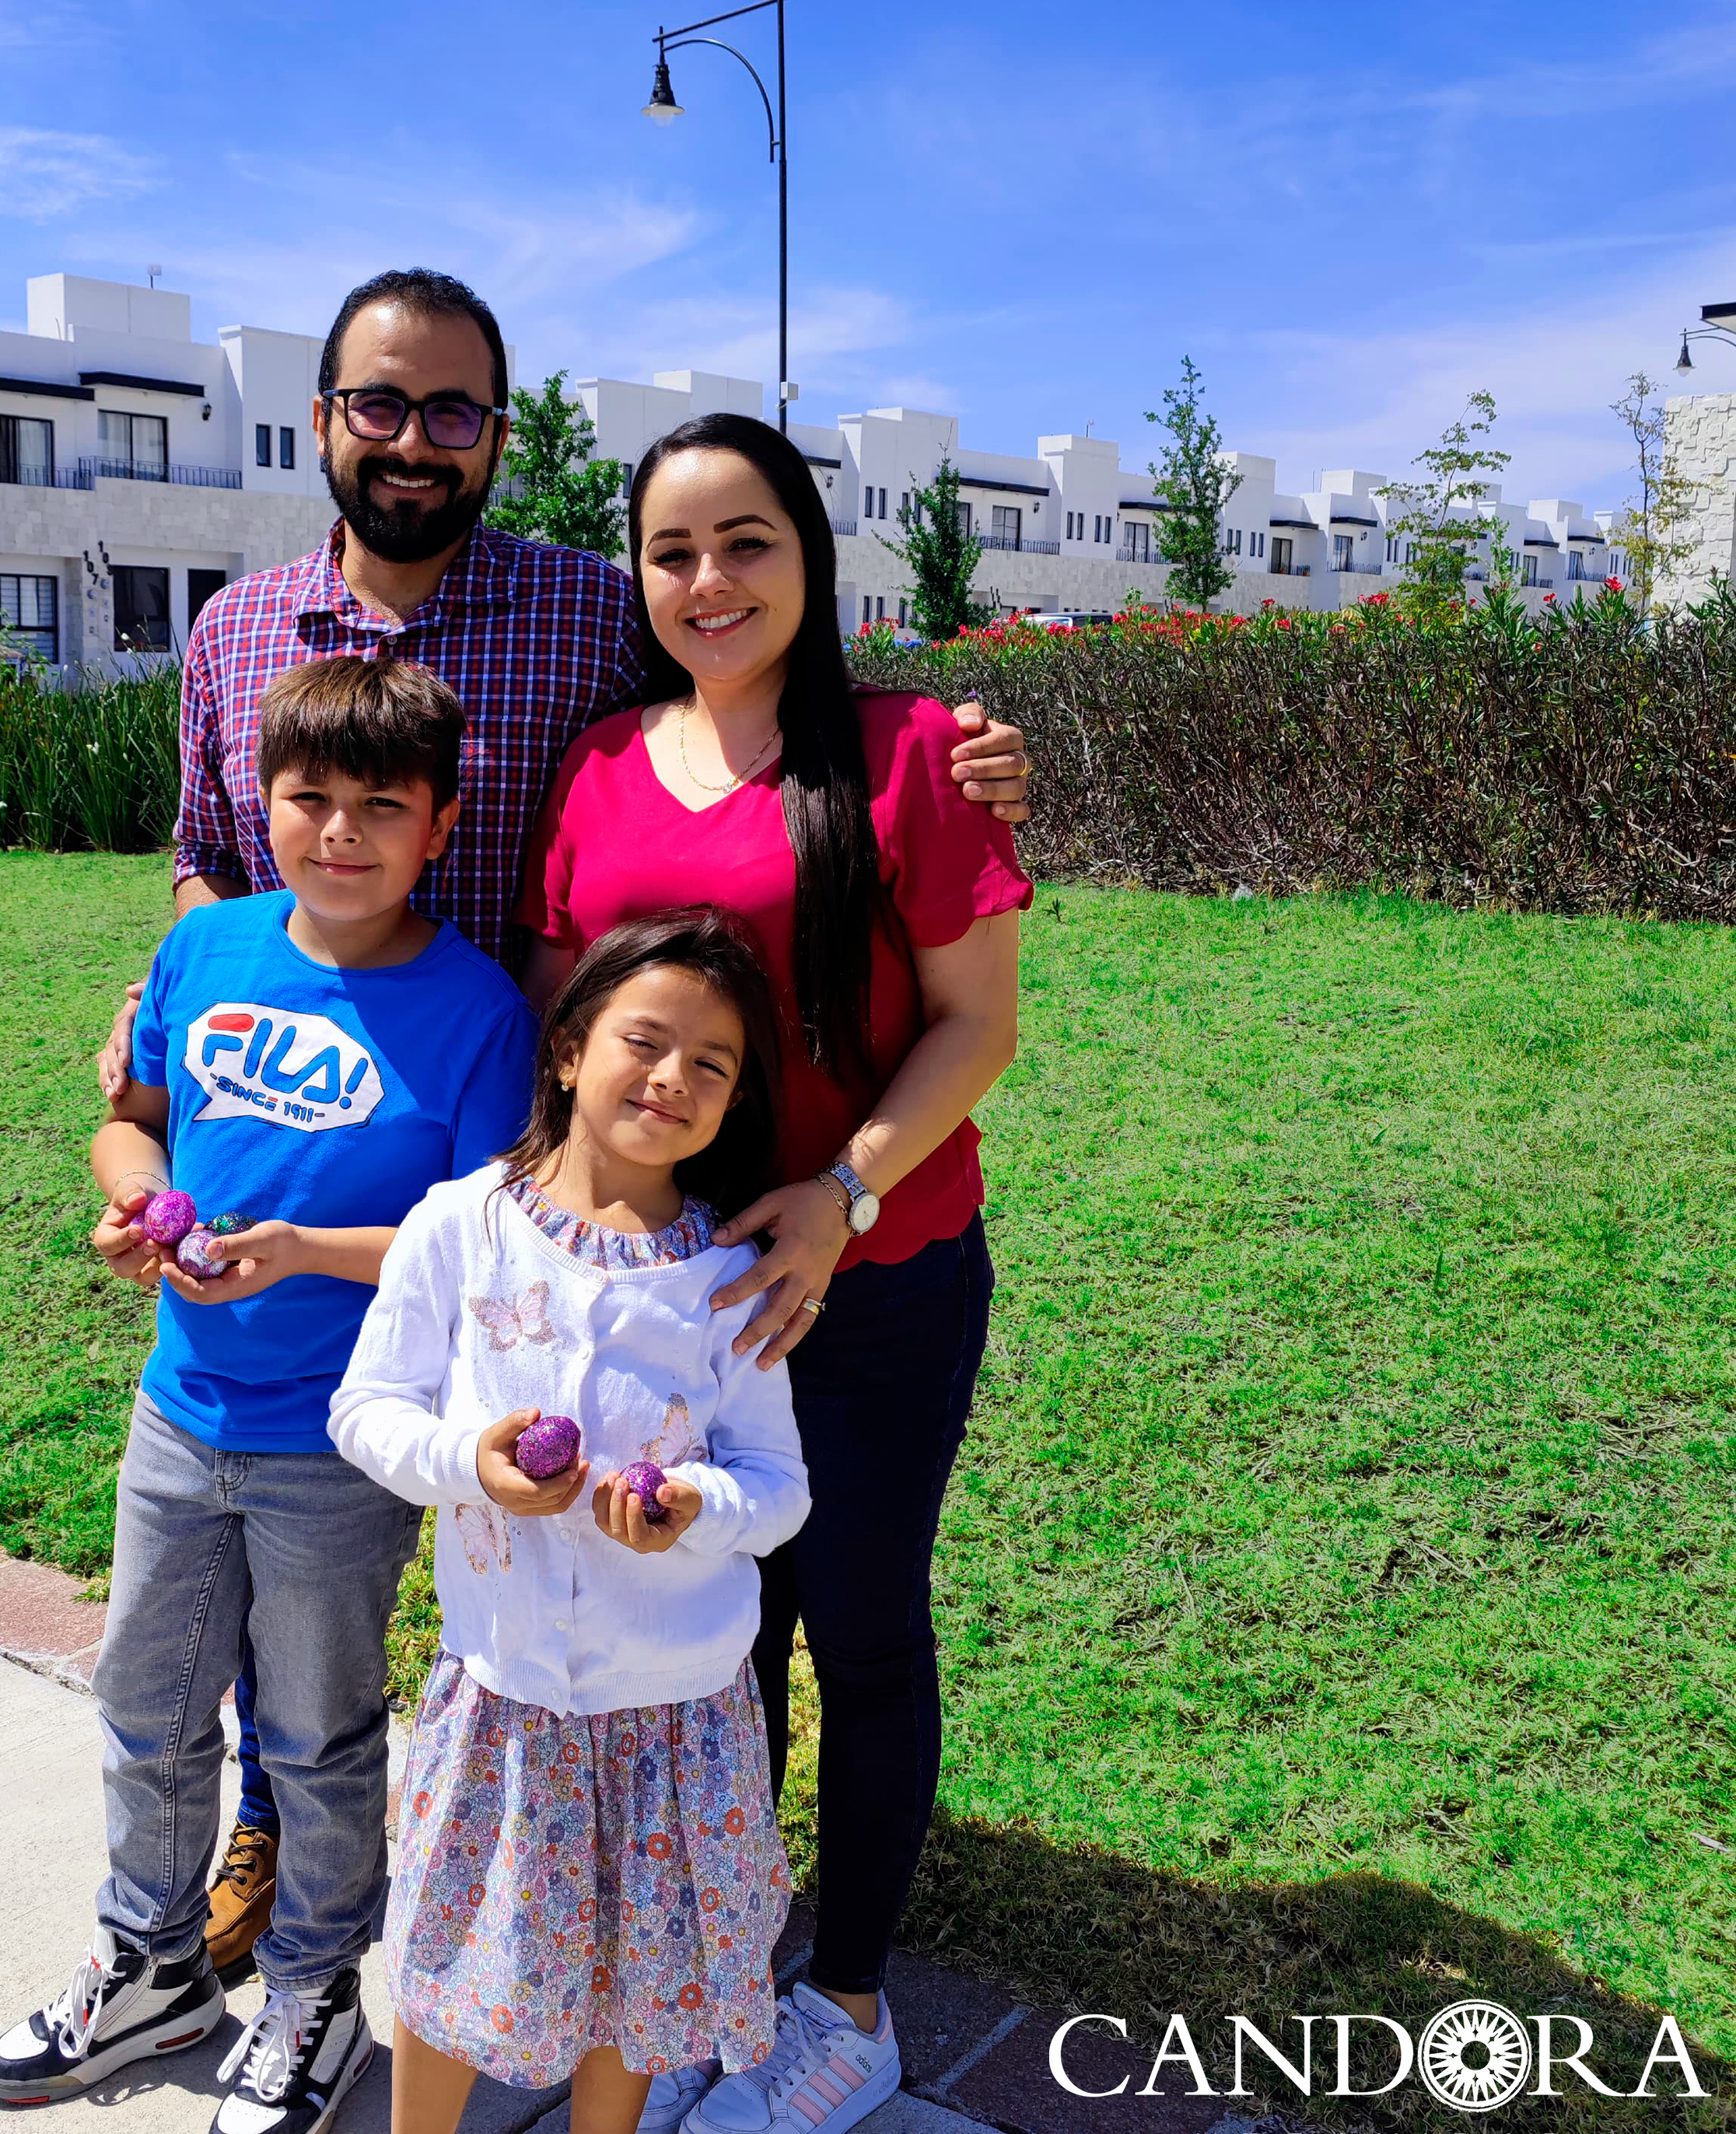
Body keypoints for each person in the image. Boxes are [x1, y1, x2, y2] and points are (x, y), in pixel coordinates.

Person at [94, 265, 1036, 1971]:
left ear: (497, 439)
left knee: (749, 1588)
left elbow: (774, 686)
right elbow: (205, 855)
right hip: (427, 1170)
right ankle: (292, 1837)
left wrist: (973, 754)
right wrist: (163, 994)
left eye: (453, 410)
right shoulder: (236, 634)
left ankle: (784, 1965)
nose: (412, 439)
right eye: (379, 403)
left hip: (657, 1196)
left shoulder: (592, 623)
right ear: (321, 421)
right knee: (305, 1518)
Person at [521, 411, 1030, 2134]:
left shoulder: (906, 757)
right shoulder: (595, 771)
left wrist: (841, 1192)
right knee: (717, 1646)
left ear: (809, 556)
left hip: (874, 1279)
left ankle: (853, 2007)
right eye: (673, 551)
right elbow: (565, 1025)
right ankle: (725, 1974)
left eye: (746, 540)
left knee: (861, 1621)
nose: (709, 578)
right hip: (674, 1297)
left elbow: (979, 1023)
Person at [0, 656, 538, 2134]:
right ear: (263, 802)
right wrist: (126, 1208)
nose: (340, 833)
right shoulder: (209, 946)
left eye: (381, 808)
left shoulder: (475, 1011)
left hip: (340, 1442)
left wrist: (296, 1253)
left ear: (437, 826)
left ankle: (308, 1998)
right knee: (147, 1707)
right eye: (309, 798)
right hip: (181, 1407)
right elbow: (129, 1121)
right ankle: (153, 1968)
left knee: (312, 1730)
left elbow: (481, 1237)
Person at [325, 910, 811, 2134]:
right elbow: (365, 1409)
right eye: (644, 1042)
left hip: (678, 1712)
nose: (673, 1079)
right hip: (506, 1694)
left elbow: (780, 1489)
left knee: (637, 1978)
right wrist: (469, 1464)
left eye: (713, 1064)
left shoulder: (727, 1276)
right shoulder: (460, 1228)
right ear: (566, 1049)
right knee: (444, 1961)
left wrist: (691, 1504)